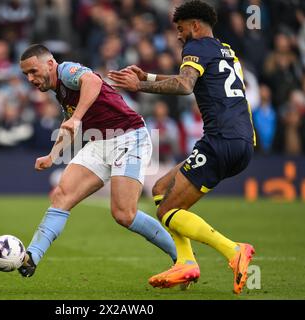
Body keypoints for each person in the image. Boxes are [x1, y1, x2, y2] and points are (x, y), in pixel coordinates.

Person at [108, 0, 256, 294]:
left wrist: (140, 88)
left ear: (195, 26)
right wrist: (146, 77)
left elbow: (185, 86)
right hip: (241, 141)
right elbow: (190, 80)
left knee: (167, 211)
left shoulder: (196, 47)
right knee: (160, 190)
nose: (178, 36)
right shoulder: (225, 50)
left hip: (220, 141)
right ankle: (185, 262)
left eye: (180, 28)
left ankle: (233, 250)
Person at [17, 44, 177, 278]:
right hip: (99, 142)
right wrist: (52, 156)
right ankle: (31, 257)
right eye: (26, 74)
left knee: (124, 214)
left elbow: (93, 81)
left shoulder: (67, 71)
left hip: (129, 137)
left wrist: (77, 118)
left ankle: (181, 256)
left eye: (33, 71)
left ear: (50, 64)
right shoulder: (59, 90)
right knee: (62, 195)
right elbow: (69, 122)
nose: (30, 78)